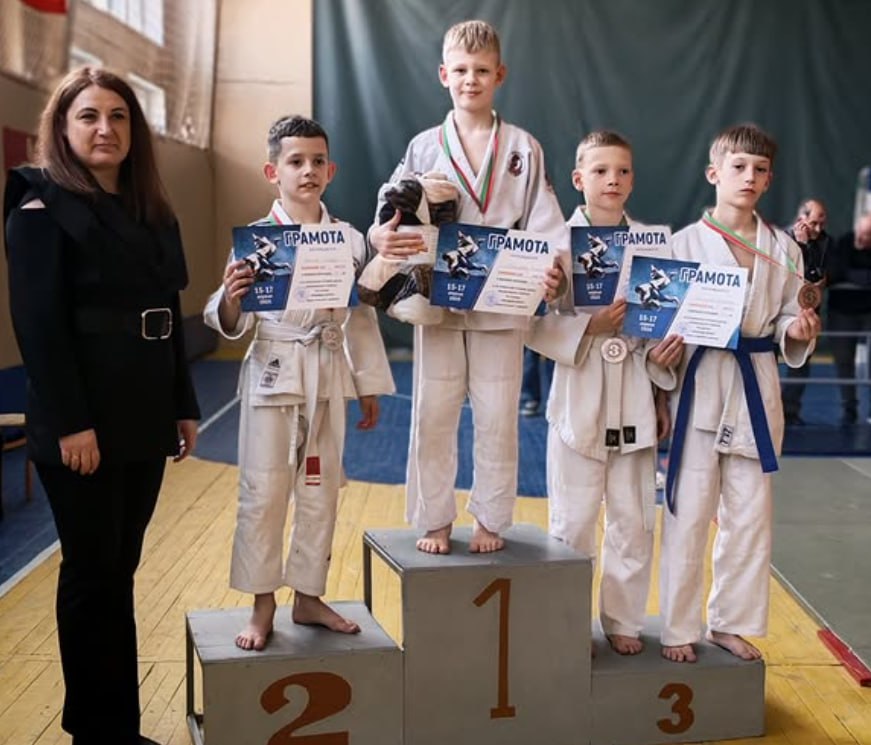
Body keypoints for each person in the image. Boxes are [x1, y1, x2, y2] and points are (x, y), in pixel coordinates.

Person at [4, 67, 200, 745]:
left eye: (118, 116)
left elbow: (167, 311)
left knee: (118, 571)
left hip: (144, 414)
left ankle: (114, 726)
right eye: (88, 116)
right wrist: (71, 423)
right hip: (81, 422)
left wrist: (182, 403)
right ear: (62, 127)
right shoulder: (40, 208)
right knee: (92, 575)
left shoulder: (151, 209)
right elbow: (39, 327)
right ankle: (97, 730)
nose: (105, 129)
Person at [368, 20, 567, 555]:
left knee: (498, 415)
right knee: (433, 411)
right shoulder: (424, 146)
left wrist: (554, 269)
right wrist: (380, 235)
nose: (470, 80)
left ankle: (491, 518)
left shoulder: (523, 147)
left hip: (501, 301)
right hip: (436, 298)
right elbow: (388, 212)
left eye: (481, 70)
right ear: (443, 75)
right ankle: (433, 517)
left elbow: (547, 224)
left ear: (500, 75)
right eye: (460, 70)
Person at [203, 115, 394, 651]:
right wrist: (232, 297)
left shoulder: (349, 239)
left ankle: (308, 596)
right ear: (273, 172)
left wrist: (367, 383)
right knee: (263, 492)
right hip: (274, 372)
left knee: (321, 490)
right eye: (295, 161)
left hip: (328, 373)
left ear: (331, 171)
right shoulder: (256, 240)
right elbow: (228, 319)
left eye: (317, 161)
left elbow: (360, 316)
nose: (307, 170)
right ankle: (262, 603)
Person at [660, 124, 820, 663]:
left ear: (769, 179)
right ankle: (678, 625)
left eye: (759, 169)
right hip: (701, 383)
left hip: (755, 381)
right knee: (688, 513)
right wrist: (661, 361)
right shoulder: (682, 244)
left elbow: (788, 317)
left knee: (749, 517)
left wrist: (798, 330)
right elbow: (661, 323)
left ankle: (728, 622)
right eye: (738, 167)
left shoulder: (784, 247)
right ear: (714, 173)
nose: (748, 177)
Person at [528, 130, 682, 654]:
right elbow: (528, 325)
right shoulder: (554, 245)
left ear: (633, 180)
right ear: (578, 179)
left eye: (622, 171)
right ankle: (565, 623)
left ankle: (623, 620)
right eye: (600, 171)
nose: (611, 180)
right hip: (579, 392)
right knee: (571, 522)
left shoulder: (654, 245)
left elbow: (662, 328)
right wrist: (583, 326)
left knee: (633, 519)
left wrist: (662, 378)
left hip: (636, 392)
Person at [781, 198, 832, 425]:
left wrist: (808, 250)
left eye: (822, 223)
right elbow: (790, 274)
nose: (818, 229)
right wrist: (801, 246)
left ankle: (790, 411)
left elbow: (820, 274)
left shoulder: (825, 241)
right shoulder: (782, 239)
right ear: (801, 219)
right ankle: (768, 408)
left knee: (801, 362)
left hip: (808, 312)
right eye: (813, 223)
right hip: (780, 311)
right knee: (768, 361)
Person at [827, 213, 871, 425]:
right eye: (861, 233)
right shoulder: (843, 243)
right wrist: (860, 277)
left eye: (868, 235)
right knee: (844, 361)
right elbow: (835, 272)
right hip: (842, 311)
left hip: (868, 311)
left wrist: (852, 275)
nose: (862, 238)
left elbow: (846, 273)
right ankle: (849, 407)